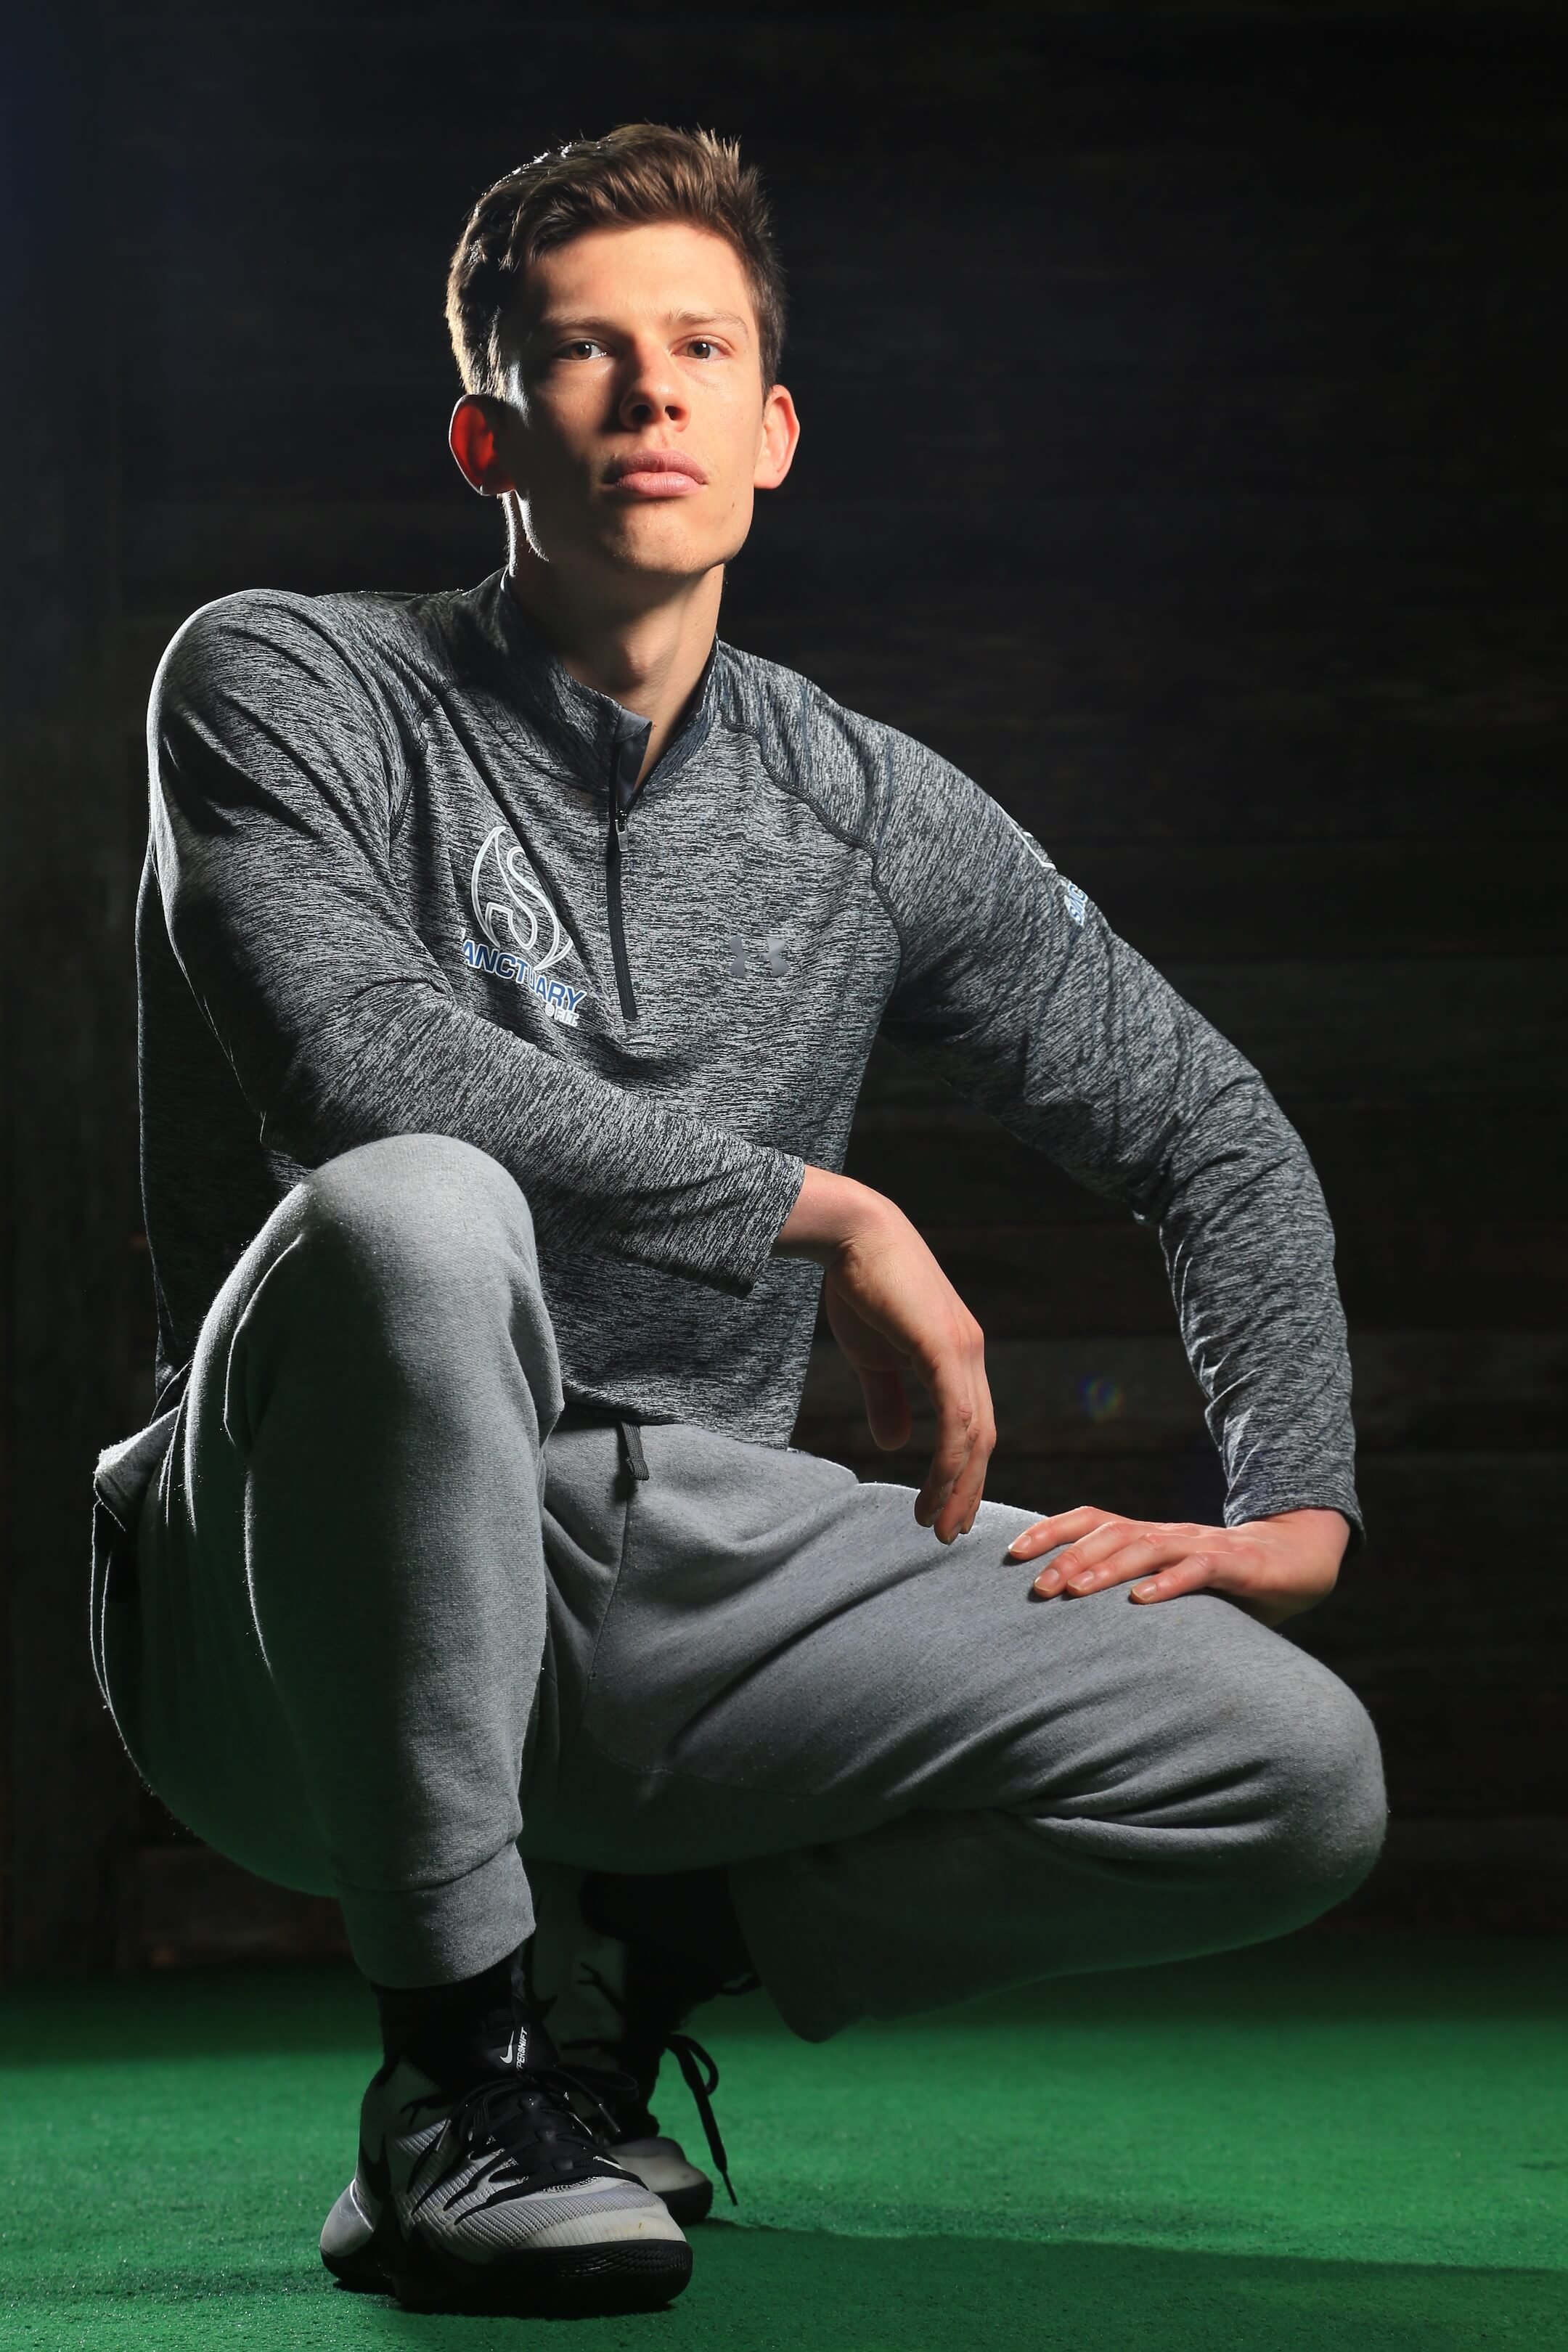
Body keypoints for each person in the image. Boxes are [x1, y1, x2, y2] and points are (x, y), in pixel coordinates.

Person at [91, 123, 1386, 2320]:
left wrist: (1303, 1499)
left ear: (775, 430)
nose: (650, 394)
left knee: (1290, 1775)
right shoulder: (283, 686)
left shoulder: (869, 806)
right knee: (415, 1216)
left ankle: (610, 1992)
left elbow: (1212, 1128)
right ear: (489, 429)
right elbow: (363, 1079)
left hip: (671, 1568)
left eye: (700, 348)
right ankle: (457, 2087)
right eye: (583, 356)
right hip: (285, 1600)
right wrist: (817, 1208)